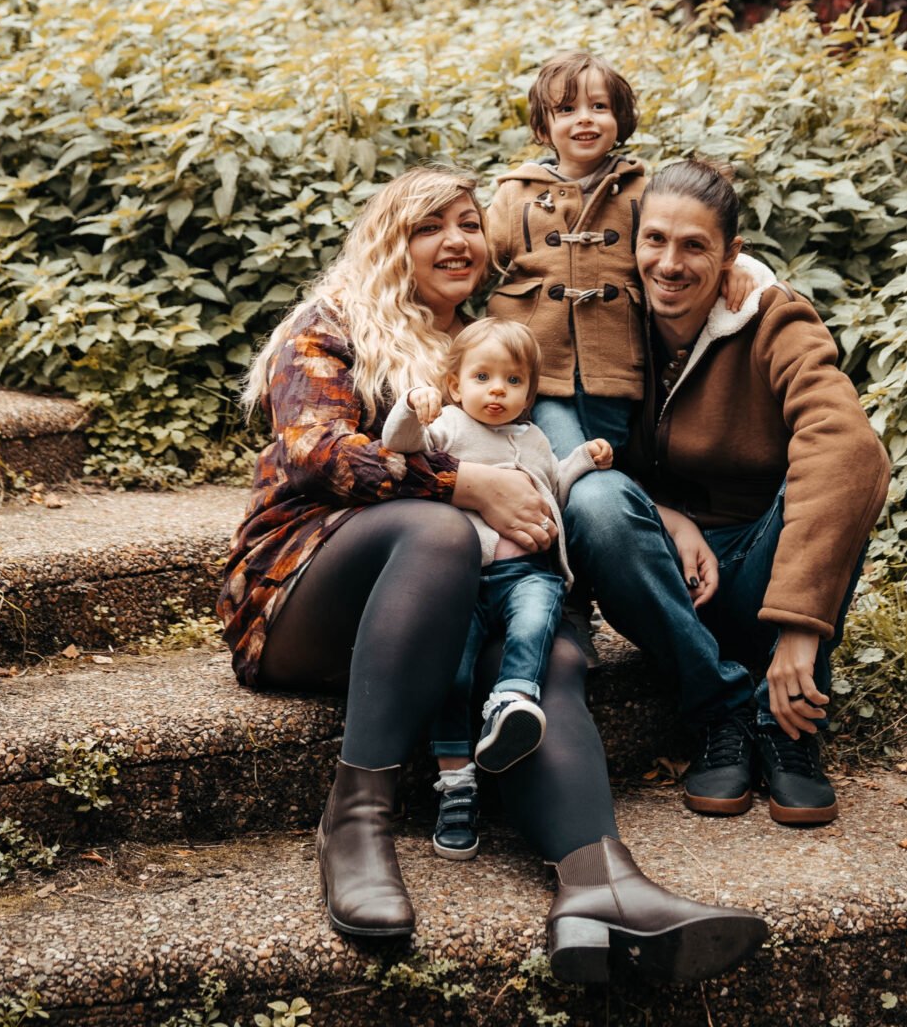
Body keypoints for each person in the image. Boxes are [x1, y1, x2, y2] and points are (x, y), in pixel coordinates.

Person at [218, 164, 767, 985]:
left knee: (551, 647)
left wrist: (627, 523)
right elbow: (315, 454)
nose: (456, 241)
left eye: (470, 224)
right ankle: (353, 822)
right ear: (388, 242)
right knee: (441, 534)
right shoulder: (329, 327)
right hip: (306, 596)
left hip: (460, 615)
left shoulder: (488, 349)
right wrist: (462, 484)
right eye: (429, 226)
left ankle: (598, 882)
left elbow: (547, 470)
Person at [558, 156, 892, 826]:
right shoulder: (603, 321)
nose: (669, 263)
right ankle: (720, 710)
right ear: (632, 242)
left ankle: (785, 727)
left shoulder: (773, 319)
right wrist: (668, 517)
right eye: (654, 240)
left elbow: (847, 448)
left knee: (839, 470)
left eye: (694, 246)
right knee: (594, 500)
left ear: (731, 253)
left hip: (764, 573)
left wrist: (800, 625)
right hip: (668, 582)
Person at [384, 316, 610, 859]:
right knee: (453, 669)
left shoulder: (531, 438)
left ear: (528, 393)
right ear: (456, 384)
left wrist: (582, 459)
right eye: (482, 377)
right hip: (463, 578)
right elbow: (400, 445)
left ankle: (512, 700)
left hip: (526, 573)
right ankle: (456, 787)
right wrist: (413, 405)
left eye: (512, 381)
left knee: (534, 624)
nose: (497, 391)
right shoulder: (452, 428)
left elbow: (550, 484)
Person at [487, 50, 649, 470]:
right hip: (535, 371)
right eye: (566, 109)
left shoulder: (645, 191)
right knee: (569, 467)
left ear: (620, 118)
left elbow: (691, 245)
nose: (585, 118)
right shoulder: (515, 194)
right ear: (544, 126)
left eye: (599, 106)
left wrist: (739, 270)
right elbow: (476, 259)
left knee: (610, 459)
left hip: (617, 370)